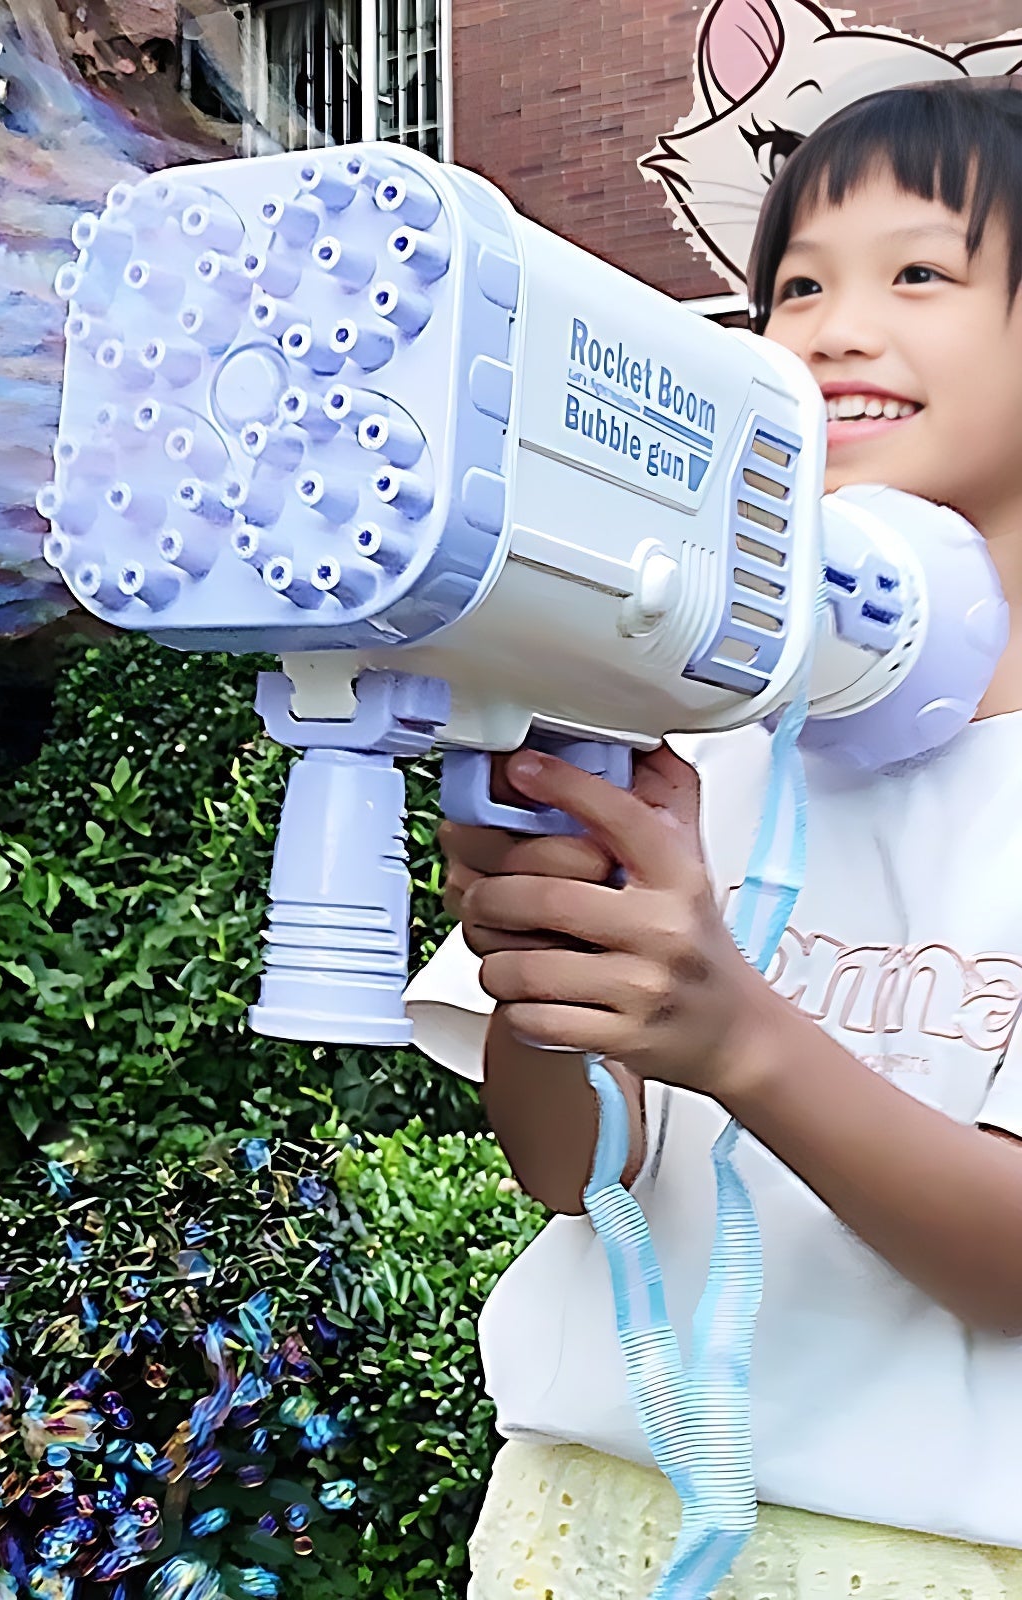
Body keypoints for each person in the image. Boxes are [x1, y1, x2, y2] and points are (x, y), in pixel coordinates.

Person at [403, 79, 1022, 1598]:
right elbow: (565, 1171)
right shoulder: (686, 743)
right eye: (796, 284)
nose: (831, 327)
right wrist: (545, 954)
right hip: (575, 1519)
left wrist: (736, 1035)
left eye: (919, 272)